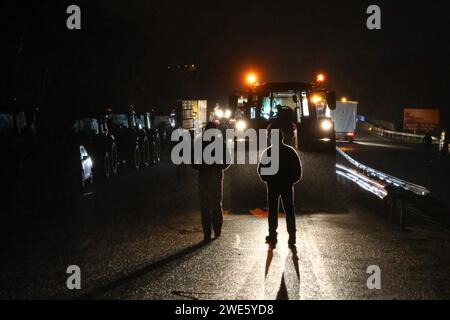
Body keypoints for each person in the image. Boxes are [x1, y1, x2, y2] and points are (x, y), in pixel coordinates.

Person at [257, 130, 302, 248]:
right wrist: (291, 181)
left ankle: (272, 235)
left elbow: (261, 169)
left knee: (272, 211)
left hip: (273, 185)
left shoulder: (268, 152)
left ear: (271, 138)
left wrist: (266, 179)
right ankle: (292, 236)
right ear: (282, 138)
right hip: (287, 185)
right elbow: (298, 170)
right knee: (289, 211)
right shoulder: (290, 151)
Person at [192, 122, 231, 242]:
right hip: (216, 176)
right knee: (216, 204)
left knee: (205, 206)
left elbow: (193, 162)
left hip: (204, 176)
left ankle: (207, 234)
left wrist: (203, 167)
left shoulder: (199, 143)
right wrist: (218, 167)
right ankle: (217, 231)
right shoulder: (220, 143)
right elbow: (227, 161)